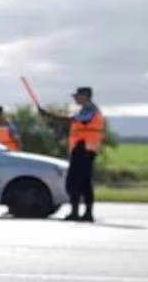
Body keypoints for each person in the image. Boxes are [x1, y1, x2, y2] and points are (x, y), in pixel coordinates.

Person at [39, 87, 105, 222]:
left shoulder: (90, 110)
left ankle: (80, 212)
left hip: (84, 149)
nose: (75, 98)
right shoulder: (87, 110)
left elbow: (74, 120)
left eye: (77, 96)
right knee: (82, 182)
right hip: (83, 149)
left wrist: (50, 116)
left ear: (85, 96)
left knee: (75, 182)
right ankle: (83, 213)